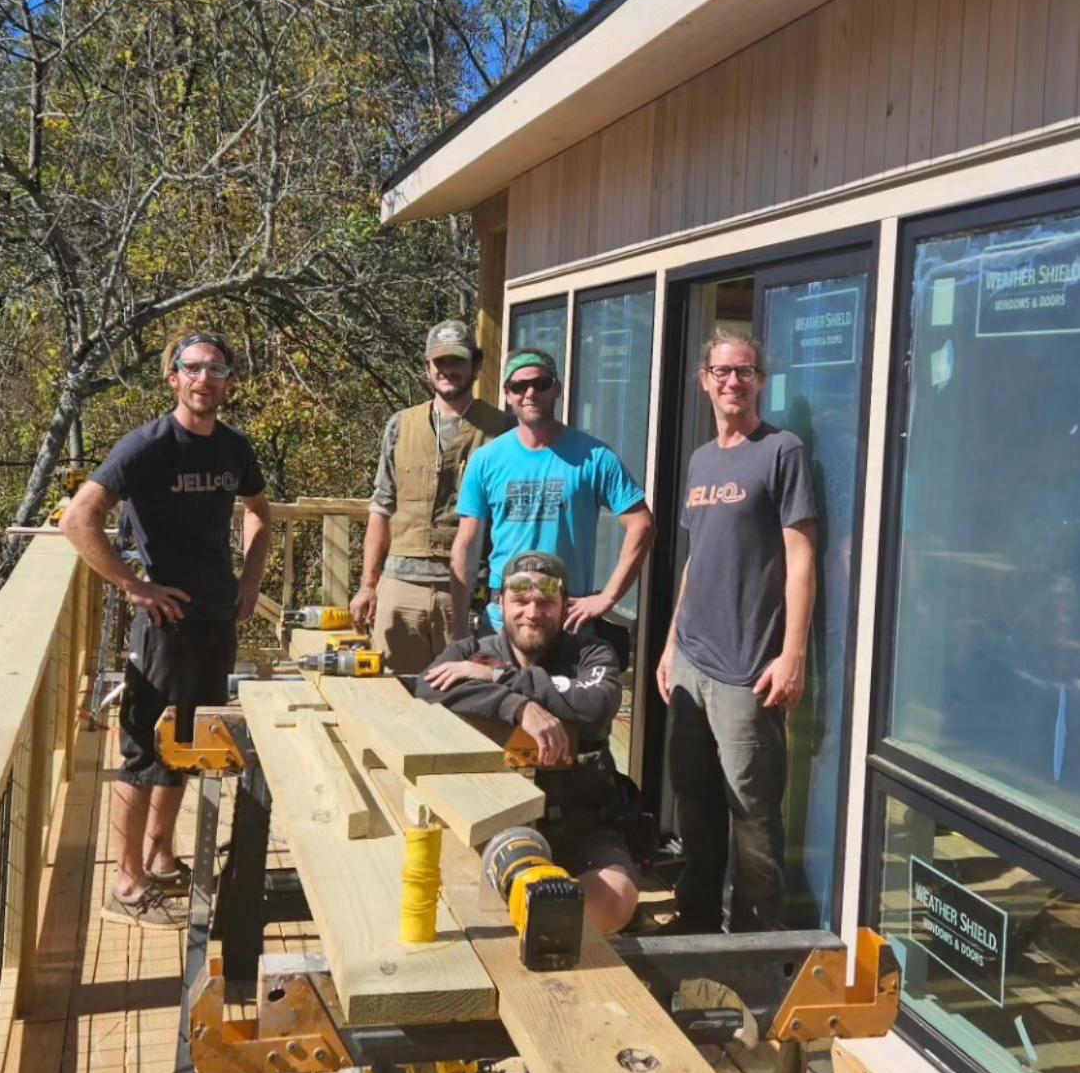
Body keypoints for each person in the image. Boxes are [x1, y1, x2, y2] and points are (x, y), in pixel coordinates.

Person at [61, 328, 272, 928]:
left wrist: (250, 583)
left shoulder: (234, 448)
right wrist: (132, 584)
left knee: (187, 745)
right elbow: (80, 518)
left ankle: (159, 854)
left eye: (216, 369)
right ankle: (126, 884)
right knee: (143, 752)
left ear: (229, 381)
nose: (205, 378)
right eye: (193, 368)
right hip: (163, 626)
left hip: (216, 618)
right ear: (173, 377)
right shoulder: (148, 445)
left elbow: (259, 514)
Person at [655, 328, 817, 934]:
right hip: (693, 662)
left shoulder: (782, 451)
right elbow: (697, 558)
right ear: (704, 380)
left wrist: (791, 653)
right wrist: (671, 643)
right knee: (694, 801)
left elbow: (801, 557)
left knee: (752, 813)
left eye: (744, 371)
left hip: (748, 668)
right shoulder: (701, 459)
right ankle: (696, 922)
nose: (732, 381)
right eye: (722, 371)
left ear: (760, 381)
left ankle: (755, 942)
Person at [416, 550, 639, 934]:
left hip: (579, 822)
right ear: (500, 602)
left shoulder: (591, 652)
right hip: (487, 821)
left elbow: (597, 704)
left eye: (545, 602)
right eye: (520, 600)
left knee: (616, 897)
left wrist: (497, 679)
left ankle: (543, 931)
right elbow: (425, 689)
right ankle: (529, 924)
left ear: (564, 606)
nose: (532, 613)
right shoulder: (470, 651)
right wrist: (515, 706)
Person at [449, 348, 654, 661]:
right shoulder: (486, 460)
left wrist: (607, 599)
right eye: (519, 386)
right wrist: (461, 626)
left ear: (556, 389)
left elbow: (642, 524)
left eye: (540, 384)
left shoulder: (594, 456)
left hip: (567, 621)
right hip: (502, 622)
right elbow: (467, 542)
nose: (530, 393)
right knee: (495, 707)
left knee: (565, 709)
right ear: (507, 394)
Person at [350, 320, 510, 673]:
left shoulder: (502, 430)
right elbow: (381, 507)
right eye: (439, 362)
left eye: (457, 361)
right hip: (400, 586)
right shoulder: (400, 425)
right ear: (426, 369)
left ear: (476, 365)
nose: (448, 370)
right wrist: (368, 585)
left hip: (470, 593)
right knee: (397, 694)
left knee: (470, 697)